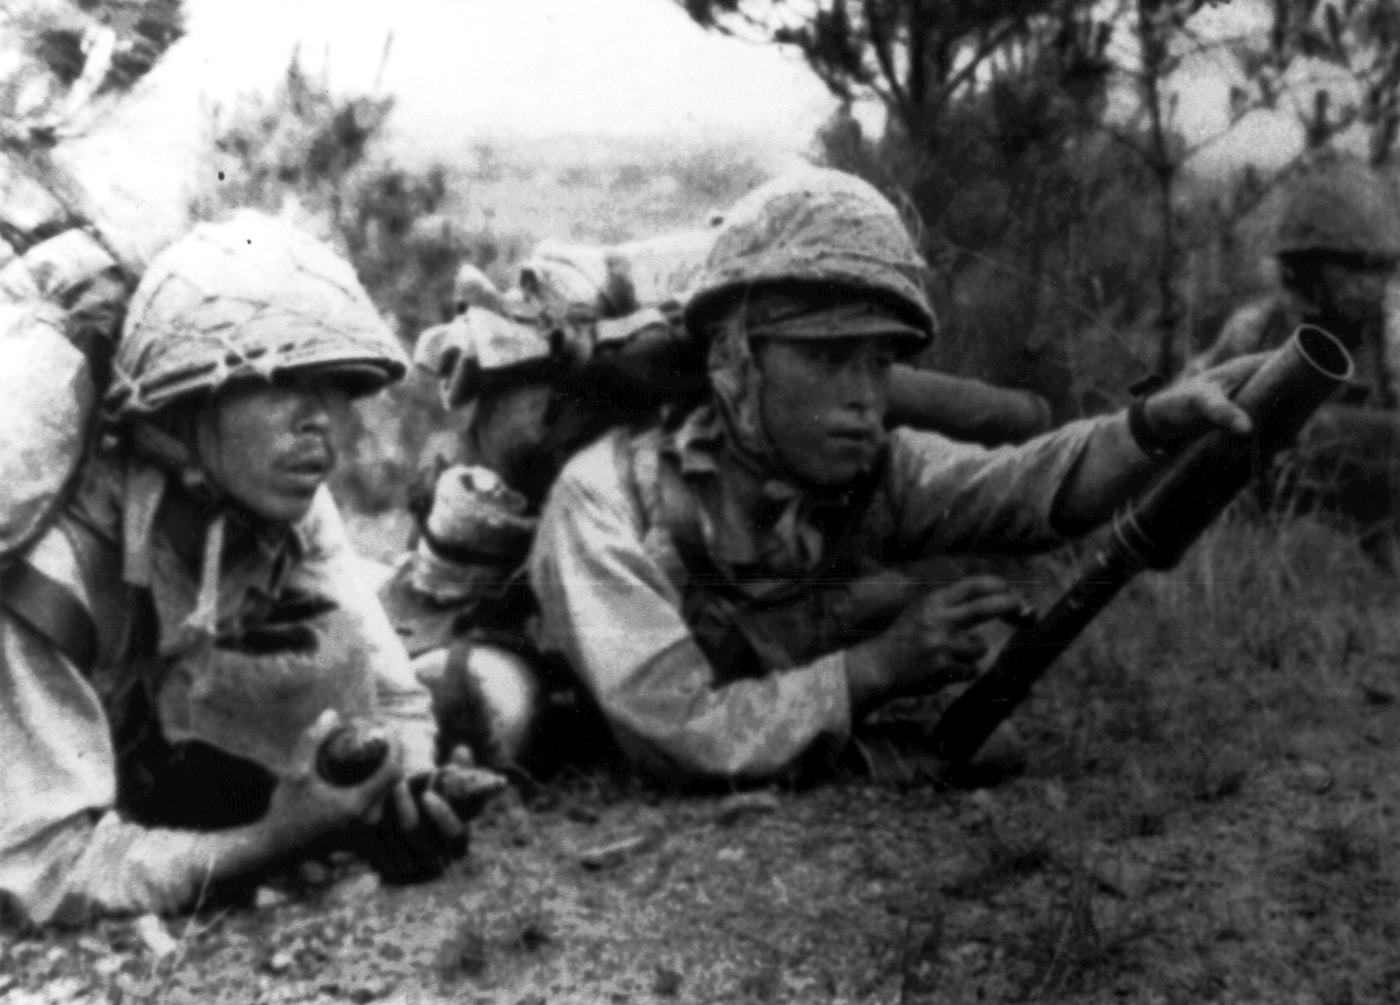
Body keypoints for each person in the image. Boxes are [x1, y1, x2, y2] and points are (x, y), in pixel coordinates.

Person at [527, 168, 1263, 785]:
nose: (863, 397)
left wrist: (1157, 424)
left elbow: (1029, 489)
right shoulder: (603, 502)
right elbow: (680, 733)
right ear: (733, 361)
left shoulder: (876, 464)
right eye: (826, 358)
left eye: (880, 361)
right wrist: (879, 665)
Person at [0, 213, 499, 927]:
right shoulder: (50, 573)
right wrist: (279, 836)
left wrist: (407, 785)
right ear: (181, 405)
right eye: (280, 381)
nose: (319, 421)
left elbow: (393, 699)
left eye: (334, 386)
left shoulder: (274, 492)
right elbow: (52, 872)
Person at [1188, 154, 1400, 556]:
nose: (1370, 284)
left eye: (1380, 269)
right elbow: (1190, 402)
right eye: (1354, 269)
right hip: (1272, 520)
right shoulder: (1255, 329)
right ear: (1305, 270)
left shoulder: (1392, 333)